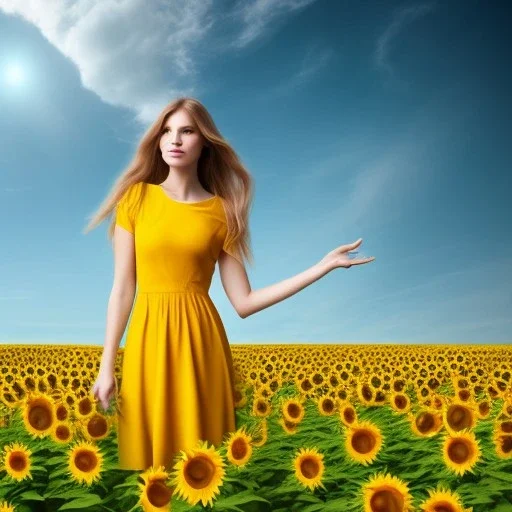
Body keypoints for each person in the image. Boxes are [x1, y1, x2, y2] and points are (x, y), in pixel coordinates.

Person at [85, 96, 375, 472]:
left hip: (201, 343)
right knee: (149, 469)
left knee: (201, 468)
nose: (175, 139)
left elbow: (244, 301)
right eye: (167, 131)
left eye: (187, 131)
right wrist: (107, 364)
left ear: (204, 141)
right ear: (157, 140)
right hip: (146, 339)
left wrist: (320, 267)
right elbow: (123, 289)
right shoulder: (136, 198)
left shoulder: (223, 212)